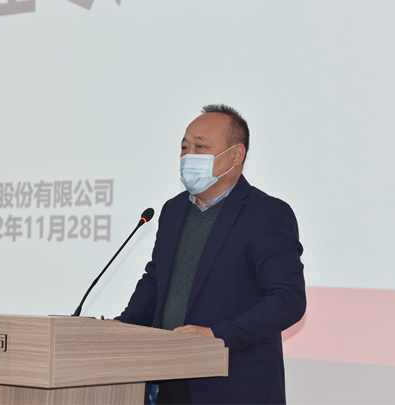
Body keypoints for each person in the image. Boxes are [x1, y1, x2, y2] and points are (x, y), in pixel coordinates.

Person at [116, 104, 306, 405]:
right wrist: (122, 326)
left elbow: (288, 300)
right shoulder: (173, 210)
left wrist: (216, 334)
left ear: (236, 154)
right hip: (167, 380)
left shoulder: (266, 213)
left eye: (200, 147)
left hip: (233, 384)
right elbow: (156, 283)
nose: (188, 156)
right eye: (184, 147)